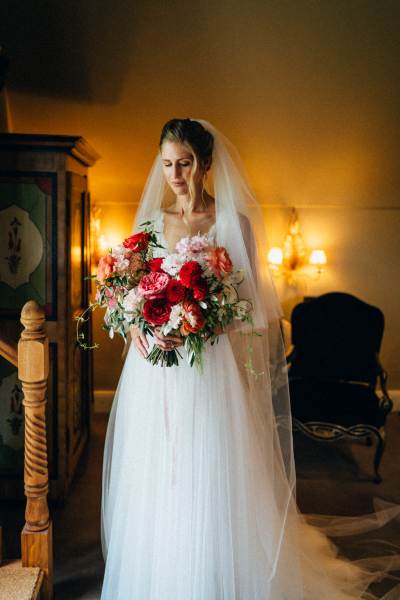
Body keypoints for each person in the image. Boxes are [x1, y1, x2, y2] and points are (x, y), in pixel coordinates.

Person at [100, 118, 400, 599]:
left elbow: (252, 311)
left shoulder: (231, 224)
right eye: (168, 164)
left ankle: (215, 575)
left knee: (208, 468)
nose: (176, 175)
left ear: (206, 164)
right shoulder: (152, 225)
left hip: (210, 368)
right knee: (158, 471)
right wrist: (142, 324)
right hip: (155, 370)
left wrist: (197, 321)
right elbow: (127, 295)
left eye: (186, 163)